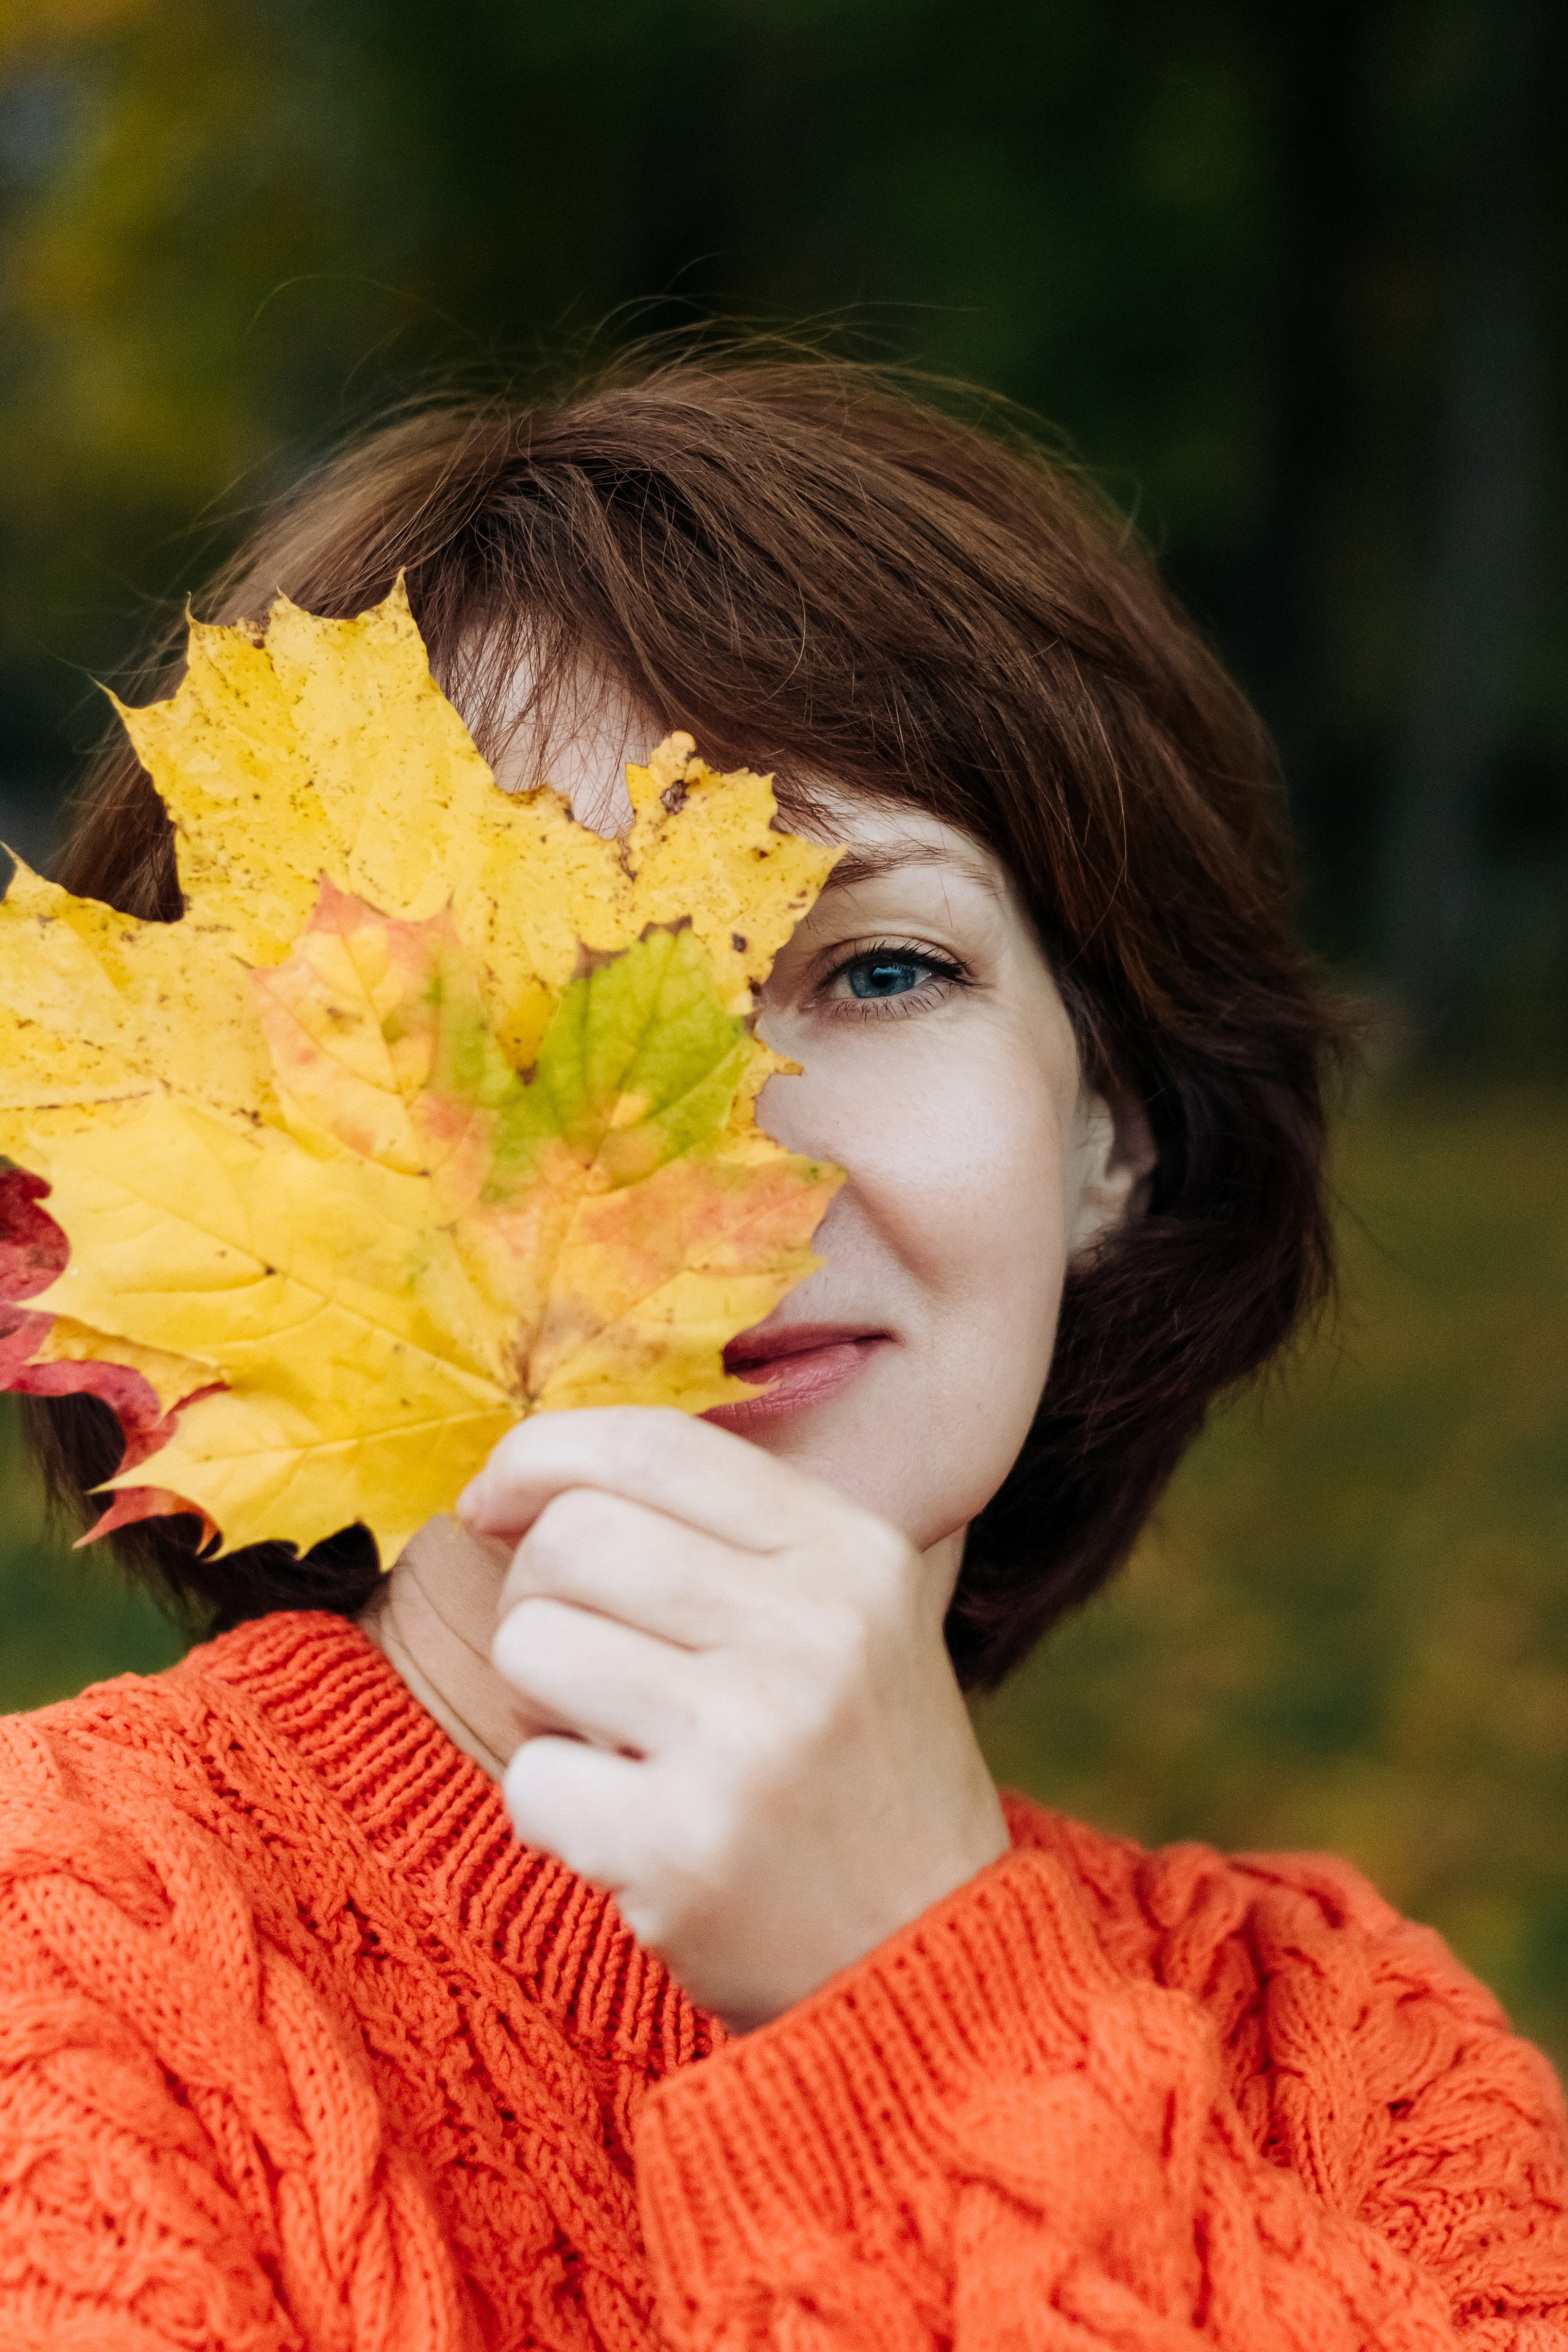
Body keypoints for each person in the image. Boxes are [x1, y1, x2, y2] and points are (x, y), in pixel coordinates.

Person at [2, 357, 1564, 2351]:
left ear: (1116, 1126)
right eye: (519, 1014)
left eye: (881, 969)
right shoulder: (57, 1966)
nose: (728, 1161)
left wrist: (914, 2000)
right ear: (238, 1158)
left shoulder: (1354, 2068)